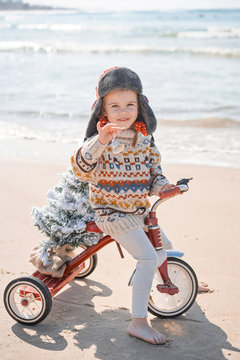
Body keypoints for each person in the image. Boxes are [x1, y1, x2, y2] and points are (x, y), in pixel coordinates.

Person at [71, 66, 177, 345]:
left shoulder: (144, 139)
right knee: (147, 258)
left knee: (163, 245)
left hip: (137, 210)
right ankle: (138, 322)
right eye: (115, 106)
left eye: (130, 104)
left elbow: (155, 174)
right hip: (111, 212)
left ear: (140, 106)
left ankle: (177, 281)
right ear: (103, 111)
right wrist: (100, 140)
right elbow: (80, 168)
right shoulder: (101, 140)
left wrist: (164, 187)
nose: (123, 111)